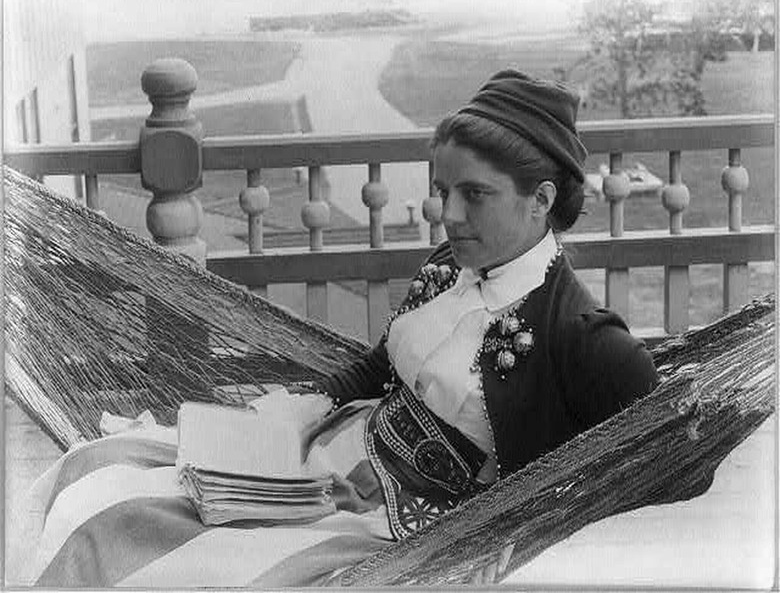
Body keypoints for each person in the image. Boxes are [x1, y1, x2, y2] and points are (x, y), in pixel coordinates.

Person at [27, 70, 658, 587]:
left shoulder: (583, 339)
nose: (450, 216)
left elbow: (629, 474)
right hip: (333, 445)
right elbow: (382, 363)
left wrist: (502, 536)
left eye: (476, 195)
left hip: (393, 525)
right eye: (443, 191)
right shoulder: (452, 266)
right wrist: (305, 405)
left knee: (162, 555)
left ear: (541, 199)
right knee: (101, 471)